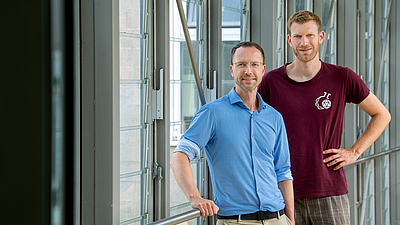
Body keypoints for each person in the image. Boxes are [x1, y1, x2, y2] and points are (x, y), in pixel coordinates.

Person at [258, 10, 391, 225]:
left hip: (329, 189)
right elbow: (249, 124)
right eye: (298, 36)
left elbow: (382, 114)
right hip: (282, 190)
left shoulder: (342, 77)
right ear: (289, 40)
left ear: (321, 37)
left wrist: (354, 152)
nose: (304, 42)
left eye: (310, 35)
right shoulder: (271, 82)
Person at [171, 42, 295, 225]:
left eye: (254, 64)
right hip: (235, 221)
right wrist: (195, 197)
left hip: (277, 218)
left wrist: (290, 219)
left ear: (263, 69)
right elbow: (179, 156)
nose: (248, 71)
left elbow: (283, 172)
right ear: (232, 69)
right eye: (241, 64)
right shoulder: (212, 113)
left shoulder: (274, 117)